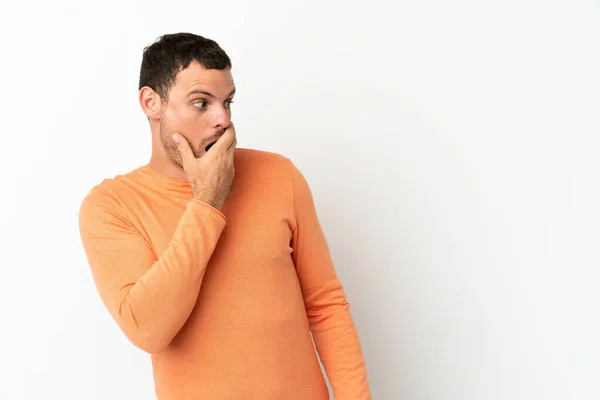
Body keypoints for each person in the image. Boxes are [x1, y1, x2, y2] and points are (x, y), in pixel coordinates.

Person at [78, 32, 371, 400]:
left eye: (227, 102)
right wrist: (206, 202)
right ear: (152, 103)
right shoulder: (113, 205)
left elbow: (326, 306)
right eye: (201, 103)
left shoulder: (279, 175)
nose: (223, 119)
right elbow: (148, 329)